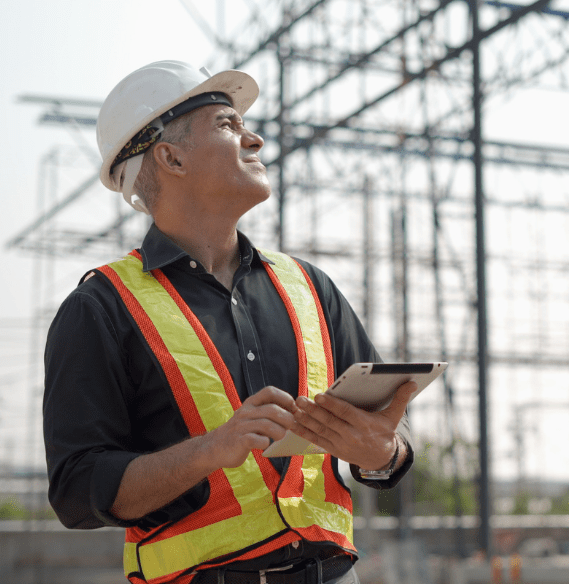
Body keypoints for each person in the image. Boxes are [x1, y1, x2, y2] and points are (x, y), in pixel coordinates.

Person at [43, 60, 416, 584]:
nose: (255, 139)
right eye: (227, 125)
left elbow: (388, 438)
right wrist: (210, 450)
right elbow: (77, 494)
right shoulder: (101, 309)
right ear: (170, 157)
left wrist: (382, 454)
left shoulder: (310, 287)